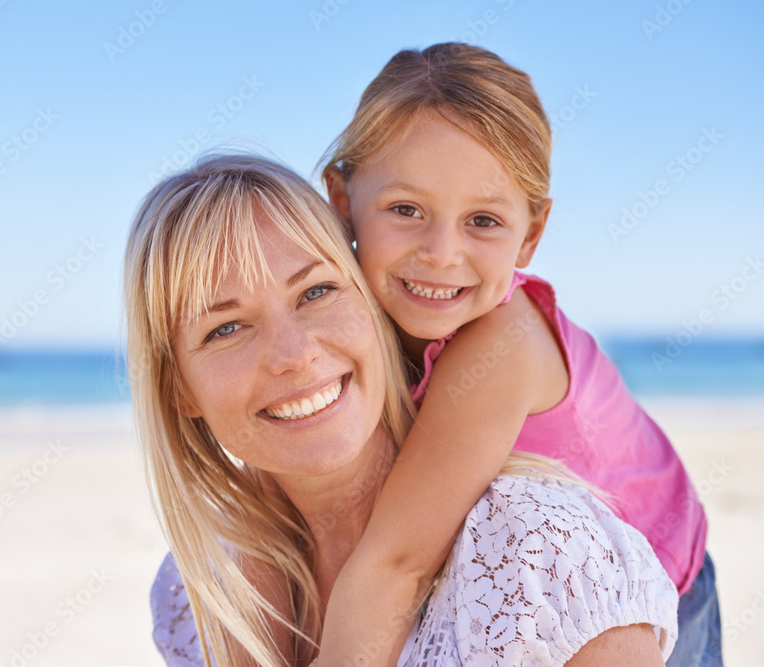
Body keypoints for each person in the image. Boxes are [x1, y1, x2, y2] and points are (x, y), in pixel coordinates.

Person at [126, 154, 678, 665]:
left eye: (316, 292)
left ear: (371, 302)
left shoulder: (536, 552)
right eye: (225, 328)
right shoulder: (190, 594)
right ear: (180, 390)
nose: (293, 355)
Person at [315, 43, 720, 666]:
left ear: (531, 233)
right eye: (405, 210)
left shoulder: (505, 345)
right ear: (343, 201)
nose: (441, 253)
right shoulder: (351, 315)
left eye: (482, 221)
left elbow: (397, 561)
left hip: (652, 589)